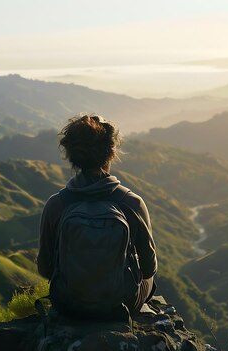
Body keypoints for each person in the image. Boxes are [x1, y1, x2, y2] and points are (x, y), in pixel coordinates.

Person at [37, 115, 157, 320]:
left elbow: (45, 269)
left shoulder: (56, 205)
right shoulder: (131, 203)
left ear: (71, 154)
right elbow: (148, 269)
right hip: (121, 305)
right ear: (111, 153)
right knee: (151, 279)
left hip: (68, 304)